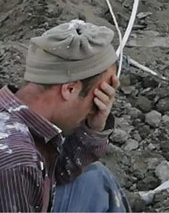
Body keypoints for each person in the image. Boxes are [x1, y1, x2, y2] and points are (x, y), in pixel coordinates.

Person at [0, 20, 128, 212]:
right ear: (69, 88)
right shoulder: (17, 161)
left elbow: (54, 176)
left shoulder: (20, 123)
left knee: (95, 181)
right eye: (95, 100)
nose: (95, 109)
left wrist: (93, 128)